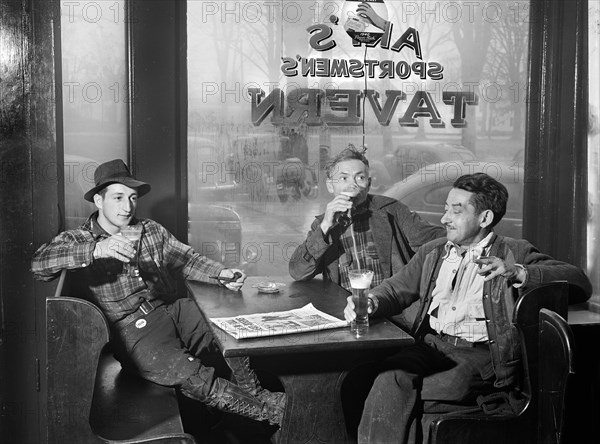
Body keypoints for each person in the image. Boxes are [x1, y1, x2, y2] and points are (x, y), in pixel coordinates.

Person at [31, 159, 285, 427]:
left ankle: (258, 397)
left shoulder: (150, 230)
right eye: (117, 197)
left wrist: (221, 274)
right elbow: (39, 264)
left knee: (232, 325)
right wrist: (97, 250)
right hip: (133, 334)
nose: (127, 207)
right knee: (196, 378)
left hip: (170, 312)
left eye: (132, 198)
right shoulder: (78, 239)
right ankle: (278, 414)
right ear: (98, 200)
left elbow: (187, 260)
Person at [343, 172, 593, 443]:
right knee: (388, 378)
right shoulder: (434, 251)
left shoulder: (512, 251)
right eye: (445, 209)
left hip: (481, 356)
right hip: (431, 346)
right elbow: (394, 288)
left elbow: (578, 282)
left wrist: (518, 272)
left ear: (485, 218)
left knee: (423, 389)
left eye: (456, 211)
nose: (444, 218)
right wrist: (372, 301)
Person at [289, 145, 445, 298]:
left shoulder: (391, 211)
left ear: (369, 184)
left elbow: (438, 241)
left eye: (360, 177)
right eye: (344, 178)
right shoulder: (323, 225)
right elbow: (298, 272)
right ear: (330, 186)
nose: (353, 185)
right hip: (344, 310)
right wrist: (325, 227)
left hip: (390, 313)